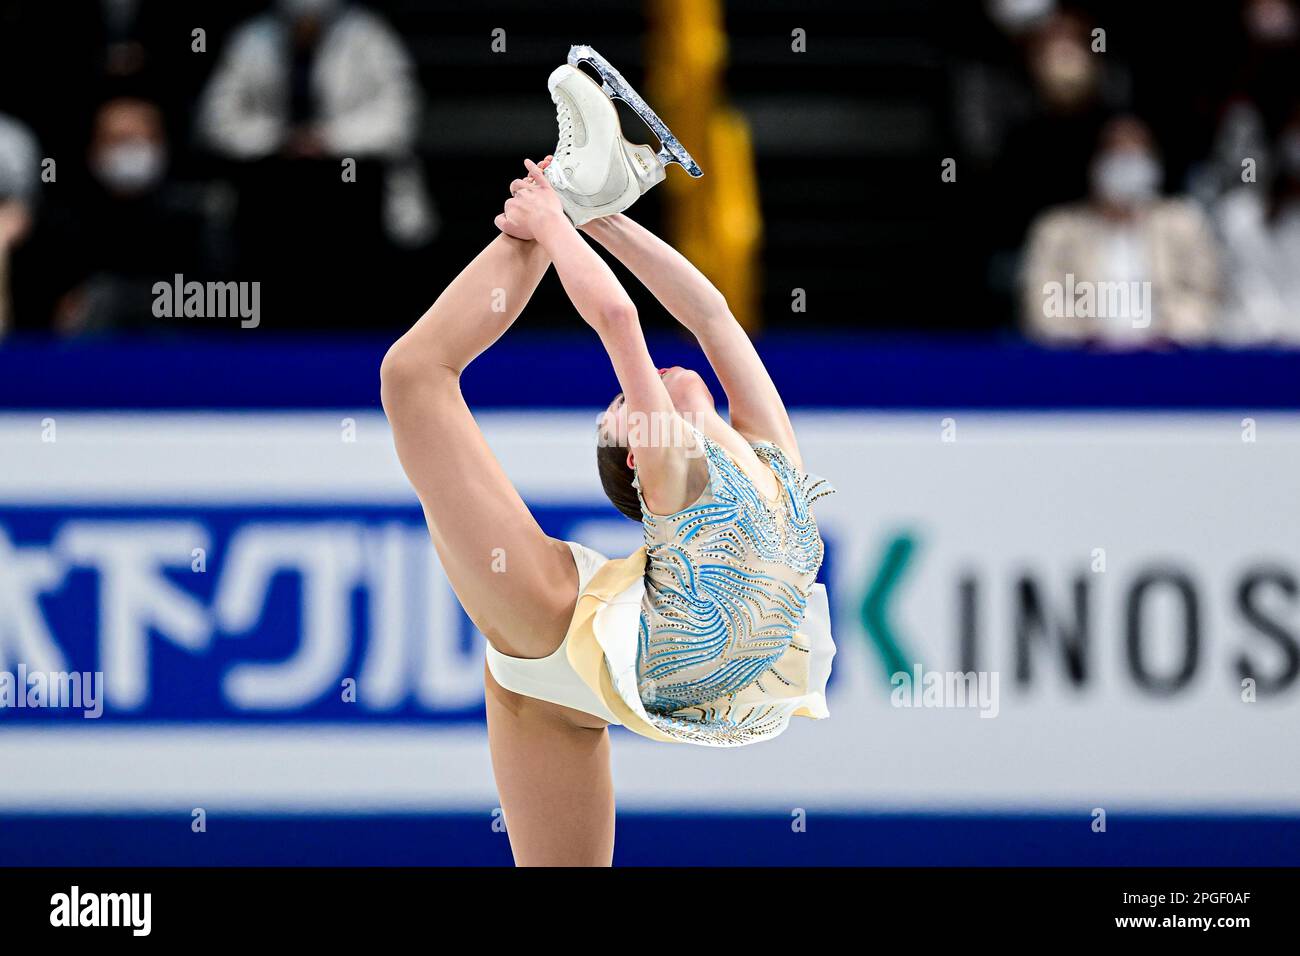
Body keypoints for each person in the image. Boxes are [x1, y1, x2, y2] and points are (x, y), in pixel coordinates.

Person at [380, 59, 834, 865]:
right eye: (628, 404)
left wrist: (580, 221)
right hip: (588, 676)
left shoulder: (679, 473)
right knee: (411, 381)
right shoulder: (767, 458)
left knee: (412, 380)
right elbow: (684, 315)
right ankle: (580, 184)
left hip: (554, 635)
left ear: (633, 456)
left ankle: (580, 185)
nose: (637, 392)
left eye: (622, 408)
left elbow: (664, 314)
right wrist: (576, 218)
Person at [1020, 115, 1220, 346]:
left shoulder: (1183, 224)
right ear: (1096, 163)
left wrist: (1165, 336)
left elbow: (1205, 296)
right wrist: (1087, 340)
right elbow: (1040, 303)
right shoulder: (1057, 231)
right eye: (1117, 153)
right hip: (1084, 362)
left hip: (1165, 359)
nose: (1126, 164)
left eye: (1136, 154)